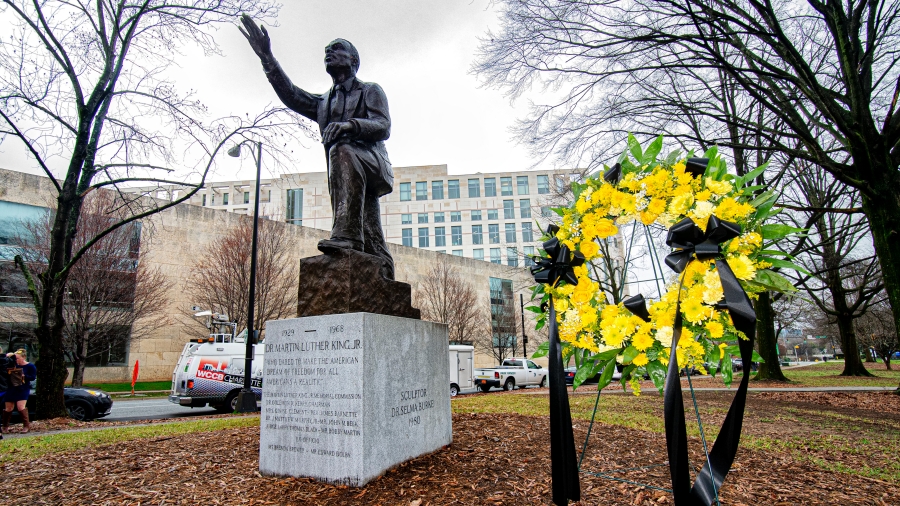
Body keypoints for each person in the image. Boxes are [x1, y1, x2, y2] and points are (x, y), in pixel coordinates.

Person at [239, 15, 396, 279]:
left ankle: (347, 237)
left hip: (374, 165)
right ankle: (380, 264)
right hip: (347, 172)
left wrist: (349, 126)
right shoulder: (325, 101)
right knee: (370, 228)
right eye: (326, 51)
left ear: (353, 61)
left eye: (336, 49)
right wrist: (267, 58)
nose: (329, 52)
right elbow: (292, 95)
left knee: (341, 148)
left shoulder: (370, 90)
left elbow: (383, 126)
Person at [3, 349, 36, 433]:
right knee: (8, 408)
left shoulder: (30, 366)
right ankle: (5, 426)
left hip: (22, 388)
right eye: (15, 358)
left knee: (20, 407)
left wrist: (24, 376)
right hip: (11, 388)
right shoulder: (13, 365)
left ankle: (26, 426)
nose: (16, 360)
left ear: (23, 357)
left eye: (18, 358)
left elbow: (32, 377)